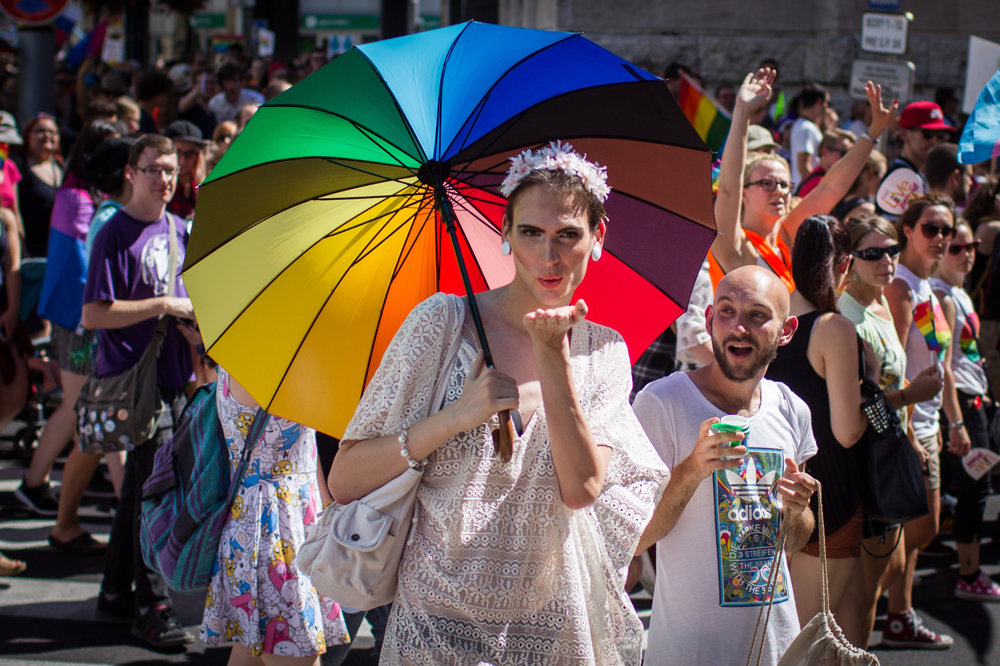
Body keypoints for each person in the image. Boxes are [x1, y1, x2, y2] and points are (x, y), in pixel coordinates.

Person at [327, 141, 669, 663]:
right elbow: (345, 477)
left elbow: (581, 489)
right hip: (434, 625)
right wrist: (452, 419)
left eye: (567, 235)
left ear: (598, 237)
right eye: (531, 232)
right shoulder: (440, 324)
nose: (548, 257)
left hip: (553, 627)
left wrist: (553, 358)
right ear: (505, 233)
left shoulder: (603, 350)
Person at [633, 265, 818, 665]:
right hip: (688, 651)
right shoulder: (661, 402)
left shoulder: (791, 409)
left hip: (775, 647)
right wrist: (691, 471)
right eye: (727, 311)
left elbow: (797, 540)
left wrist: (797, 511)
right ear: (709, 320)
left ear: (785, 331)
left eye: (757, 314)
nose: (738, 327)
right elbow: (635, 538)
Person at [82, 133, 197, 648]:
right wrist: (163, 306)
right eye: (154, 169)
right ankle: (151, 607)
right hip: (134, 384)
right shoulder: (114, 232)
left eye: (171, 170)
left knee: (139, 486)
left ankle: (114, 587)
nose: (165, 180)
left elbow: (190, 301)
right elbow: (93, 314)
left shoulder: (178, 229)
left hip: (172, 375)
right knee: (157, 492)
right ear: (131, 172)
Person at [764, 215, 870, 646]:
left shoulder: (775, 320)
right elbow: (847, 431)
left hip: (779, 484)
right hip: (829, 496)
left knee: (828, 634)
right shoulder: (833, 327)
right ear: (842, 264)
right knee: (817, 640)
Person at [840, 213, 943, 647]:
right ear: (849, 260)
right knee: (860, 599)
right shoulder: (847, 317)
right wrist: (910, 396)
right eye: (871, 253)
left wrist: (911, 436)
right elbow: (861, 409)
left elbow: (887, 384)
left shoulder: (881, 302)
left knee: (893, 570)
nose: (885, 260)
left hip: (890, 452)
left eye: (890, 252)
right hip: (864, 465)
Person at [201, 369, 350, 663]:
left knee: (252, 652)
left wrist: (329, 512)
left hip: (260, 525)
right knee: (294, 650)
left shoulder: (245, 358)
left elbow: (306, 449)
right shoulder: (277, 370)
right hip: (276, 534)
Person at [16, 120, 121, 525]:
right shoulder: (77, 197)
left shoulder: (77, 191)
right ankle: (37, 486)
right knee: (80, 409)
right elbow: (83, 266)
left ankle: (40, 486)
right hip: (76, 318)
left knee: (79, 410)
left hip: (76, 317)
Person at [711, 68, 894, 290]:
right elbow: (729, 189)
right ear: (744, 192)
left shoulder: (786, 236)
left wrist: (873, 132)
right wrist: (742, 110)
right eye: (766, 184)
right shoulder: (734, 244)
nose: (778, 191)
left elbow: (830, 188)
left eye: (784, 184)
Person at [882, 193, 964, 648]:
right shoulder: (900, 288)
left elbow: (944, 367)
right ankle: (876, 610)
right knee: (917, 529)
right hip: (907, 425)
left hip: (932, 425)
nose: (939, 238)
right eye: (930, 228)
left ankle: (898, 614)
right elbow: (892, 366)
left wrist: (957, 423)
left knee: (922, 530)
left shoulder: (933, 291)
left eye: (946, 231)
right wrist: (909, 427)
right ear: (908, 230)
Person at [930, 220, 1000, 602]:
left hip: (977, 400)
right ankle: (969, 574)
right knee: (976, 488)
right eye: (957, 248)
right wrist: (956, 420)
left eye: (971, 246)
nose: (967, 254)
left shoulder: (960, 292)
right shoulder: (942, 297)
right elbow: (942, 366)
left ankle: (967, 565)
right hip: (962, 406)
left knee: (974, 485)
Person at [875, 101, 954, 220]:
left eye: (940, 135)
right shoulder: (901, 176)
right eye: (928, 134)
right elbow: (890, 229)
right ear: (904, 135)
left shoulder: (915, 173)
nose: (934, 141)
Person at [12, 113, 63, 258]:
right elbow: (15, 212)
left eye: (52, 132)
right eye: (40, 131)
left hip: (55, 249)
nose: (47, 135)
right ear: (28, 136)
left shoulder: (60, 165)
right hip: (29, 251)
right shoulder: (18, 165)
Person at [162, 120, 207, 220]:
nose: (182, 161)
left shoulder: (202, 189)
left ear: (198, 157)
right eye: (177, 152)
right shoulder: (160, 186)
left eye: (189, 154)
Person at [788, 84, 830, 187]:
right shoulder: (807, 129)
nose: (827, 108)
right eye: (827, 103)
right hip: (806, 192)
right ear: (819, 102)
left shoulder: (803, 125)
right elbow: (804, 166)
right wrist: (816, 190)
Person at [794, 129, 856, 197]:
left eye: (850, 153)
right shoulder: (819, 183)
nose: (848, 158)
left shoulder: (820, 177)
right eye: (844, 153)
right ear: (825, 152)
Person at [924, 143, 973, 212]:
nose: (971, 182)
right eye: (968, 176)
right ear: (955, 178)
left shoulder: (917, 214)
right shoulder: (946, 219)